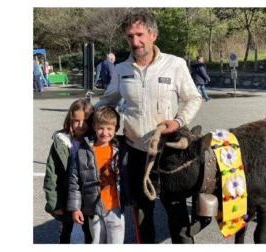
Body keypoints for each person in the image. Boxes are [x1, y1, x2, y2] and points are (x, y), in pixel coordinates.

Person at [94, 11, 202, 244]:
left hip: (169, 153)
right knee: (142, 215)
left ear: (153, 35)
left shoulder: (175, 65)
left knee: (177, 215)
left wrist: (179, 121)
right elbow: (107, 101)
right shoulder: (122, 70)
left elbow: (193, 98)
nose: (135, 42)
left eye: (140, 35)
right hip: (135, 154)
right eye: (130, 36)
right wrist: (84, 116)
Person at [67, 106, 125, 244]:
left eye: (109, 128)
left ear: (116, 128)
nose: (105, 132)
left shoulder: (120, 149)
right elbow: (73, 182)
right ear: (93, 126)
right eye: (100, 128)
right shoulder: (83, 151)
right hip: (93, 208)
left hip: (115, 208)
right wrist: (75, 208)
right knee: (97, 242)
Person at [43, 99, 93, 244]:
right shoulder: (61, 141)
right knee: (65, 232)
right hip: (65, 198)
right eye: (76, 120)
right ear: (70, 119)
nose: (81, 125)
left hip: (88, 198)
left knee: (90, 233)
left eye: (85, 120)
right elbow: (52, 174)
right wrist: (56, 203)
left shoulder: (94, 140)